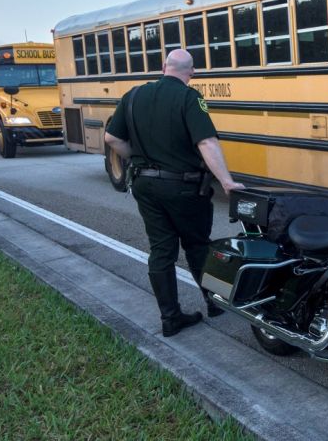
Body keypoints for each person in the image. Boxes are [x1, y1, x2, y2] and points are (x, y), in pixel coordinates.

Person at [104, 49, 245, 337]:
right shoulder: (189, 98)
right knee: (197, 245)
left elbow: (112, 137)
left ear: (163, 67)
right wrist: (227, 182)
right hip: (184, 187)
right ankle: (214, 302)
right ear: (191, 72)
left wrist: (138, 159)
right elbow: (206, 143)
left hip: (145, 186)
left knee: (161, 250)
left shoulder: (132, 95)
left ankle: (170, 317)